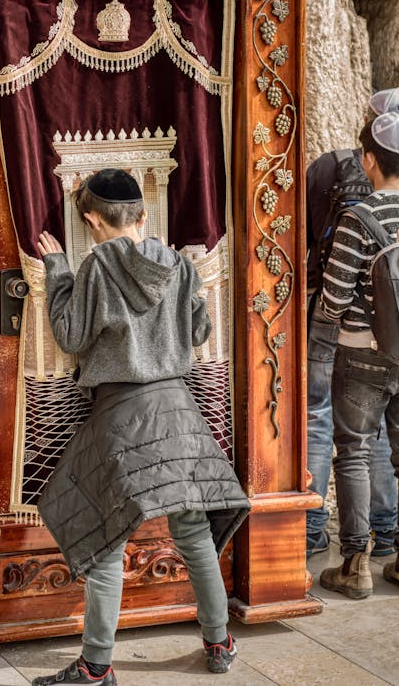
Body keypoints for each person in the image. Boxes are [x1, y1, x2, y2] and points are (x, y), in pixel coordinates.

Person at [34, 168, 250, 682]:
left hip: (122, 415)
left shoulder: (95, 265)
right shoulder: (176, 263)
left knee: (106, 543)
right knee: (194, 533)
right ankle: (219, 644)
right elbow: (199, 329)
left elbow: (68, 335)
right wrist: (189, 291)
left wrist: (59, 272)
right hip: (178, 411)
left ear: (90, 220)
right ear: (143, 215)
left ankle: (95, 669)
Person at [306, 89, 399, 557]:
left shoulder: (355, 207)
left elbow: (336, 295)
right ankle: (391, 543)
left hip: (356, 346)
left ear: (371, 156)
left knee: (349, 443)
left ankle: (349, 556)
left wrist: (323, 323)